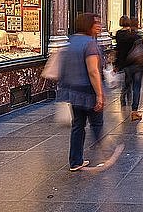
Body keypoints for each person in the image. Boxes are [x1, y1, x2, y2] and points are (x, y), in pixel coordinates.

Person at [57, 13, 104, 171]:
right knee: (97, 123)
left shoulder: (70, 41)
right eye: (96, 23)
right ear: (87, 25)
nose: (99, 26)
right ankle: (105, 153)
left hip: (73, 91)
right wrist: (99, 95)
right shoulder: (90, 44)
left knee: (78, 125)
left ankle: (75, 161)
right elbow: (93, 71)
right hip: (88, 91)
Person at [126, 18, 143, 121]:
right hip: (138, 65)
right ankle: (134, 110)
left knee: (128, 83)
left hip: (127, 65)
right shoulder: (139, 37)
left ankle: (124, 98)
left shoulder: (123, 36)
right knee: (137, 87)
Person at [114, 15, 134, 107]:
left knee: (127, 78)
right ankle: (125, 95)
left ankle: (126, 95)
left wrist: (116, 62)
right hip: (131, 59)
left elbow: (118, 48)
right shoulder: (131, 32)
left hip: (122, 58)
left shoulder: (118, 33)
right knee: (129, 79)